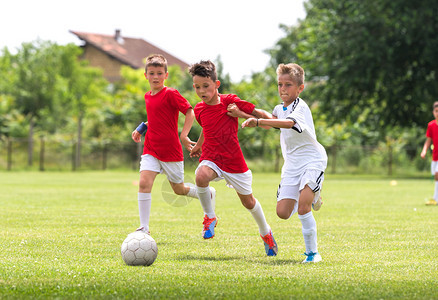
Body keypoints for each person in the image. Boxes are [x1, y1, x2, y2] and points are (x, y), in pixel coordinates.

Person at [234, 63, 327, 263]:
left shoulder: (300, 107)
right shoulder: (280, 108)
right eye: (280, 85)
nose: (283, 89)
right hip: (292, 165)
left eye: (288, 85)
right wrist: (243, 112)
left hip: (313, 160)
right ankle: (313, 196)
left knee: (303, 207)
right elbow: (272, 118)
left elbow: (288, 123)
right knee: (282, 212)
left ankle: (313, 254)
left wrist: (259, 121)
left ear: (300, 88)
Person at [188, 60, 278, 256]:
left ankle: (266, 233)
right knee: (200, 176)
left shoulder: (230, 102)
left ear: (216, 84)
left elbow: (256, 114)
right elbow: (206, 129)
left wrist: (241, 114)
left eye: (206, 86)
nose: (201, 91)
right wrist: (198, 146)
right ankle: (210, 217)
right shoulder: (199, 110)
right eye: (197, 87)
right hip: (212, 157)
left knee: (248, 202)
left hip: (234, 162)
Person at [131, 54, 214, 234]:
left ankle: (208, 194)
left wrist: (183, 135)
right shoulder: (147, 96)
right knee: (144, 183)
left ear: (166, 75)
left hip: (170, 151)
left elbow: (189, 111)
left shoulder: (171, 94)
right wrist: (141, 128)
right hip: (151, 148)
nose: (155, 77)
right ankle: (144, 228)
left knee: (178, 189)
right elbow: (155, 119)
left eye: (159, 73)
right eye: (151, 73)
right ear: (145, 75)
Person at [420, 101, 438, 206]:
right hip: (435, 156)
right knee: (435, 175)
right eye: (436, 111)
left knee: (437, 174)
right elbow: (428, 140)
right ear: (433, 112)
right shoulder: (431, 125)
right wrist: (424, 150)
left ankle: (435, 198)